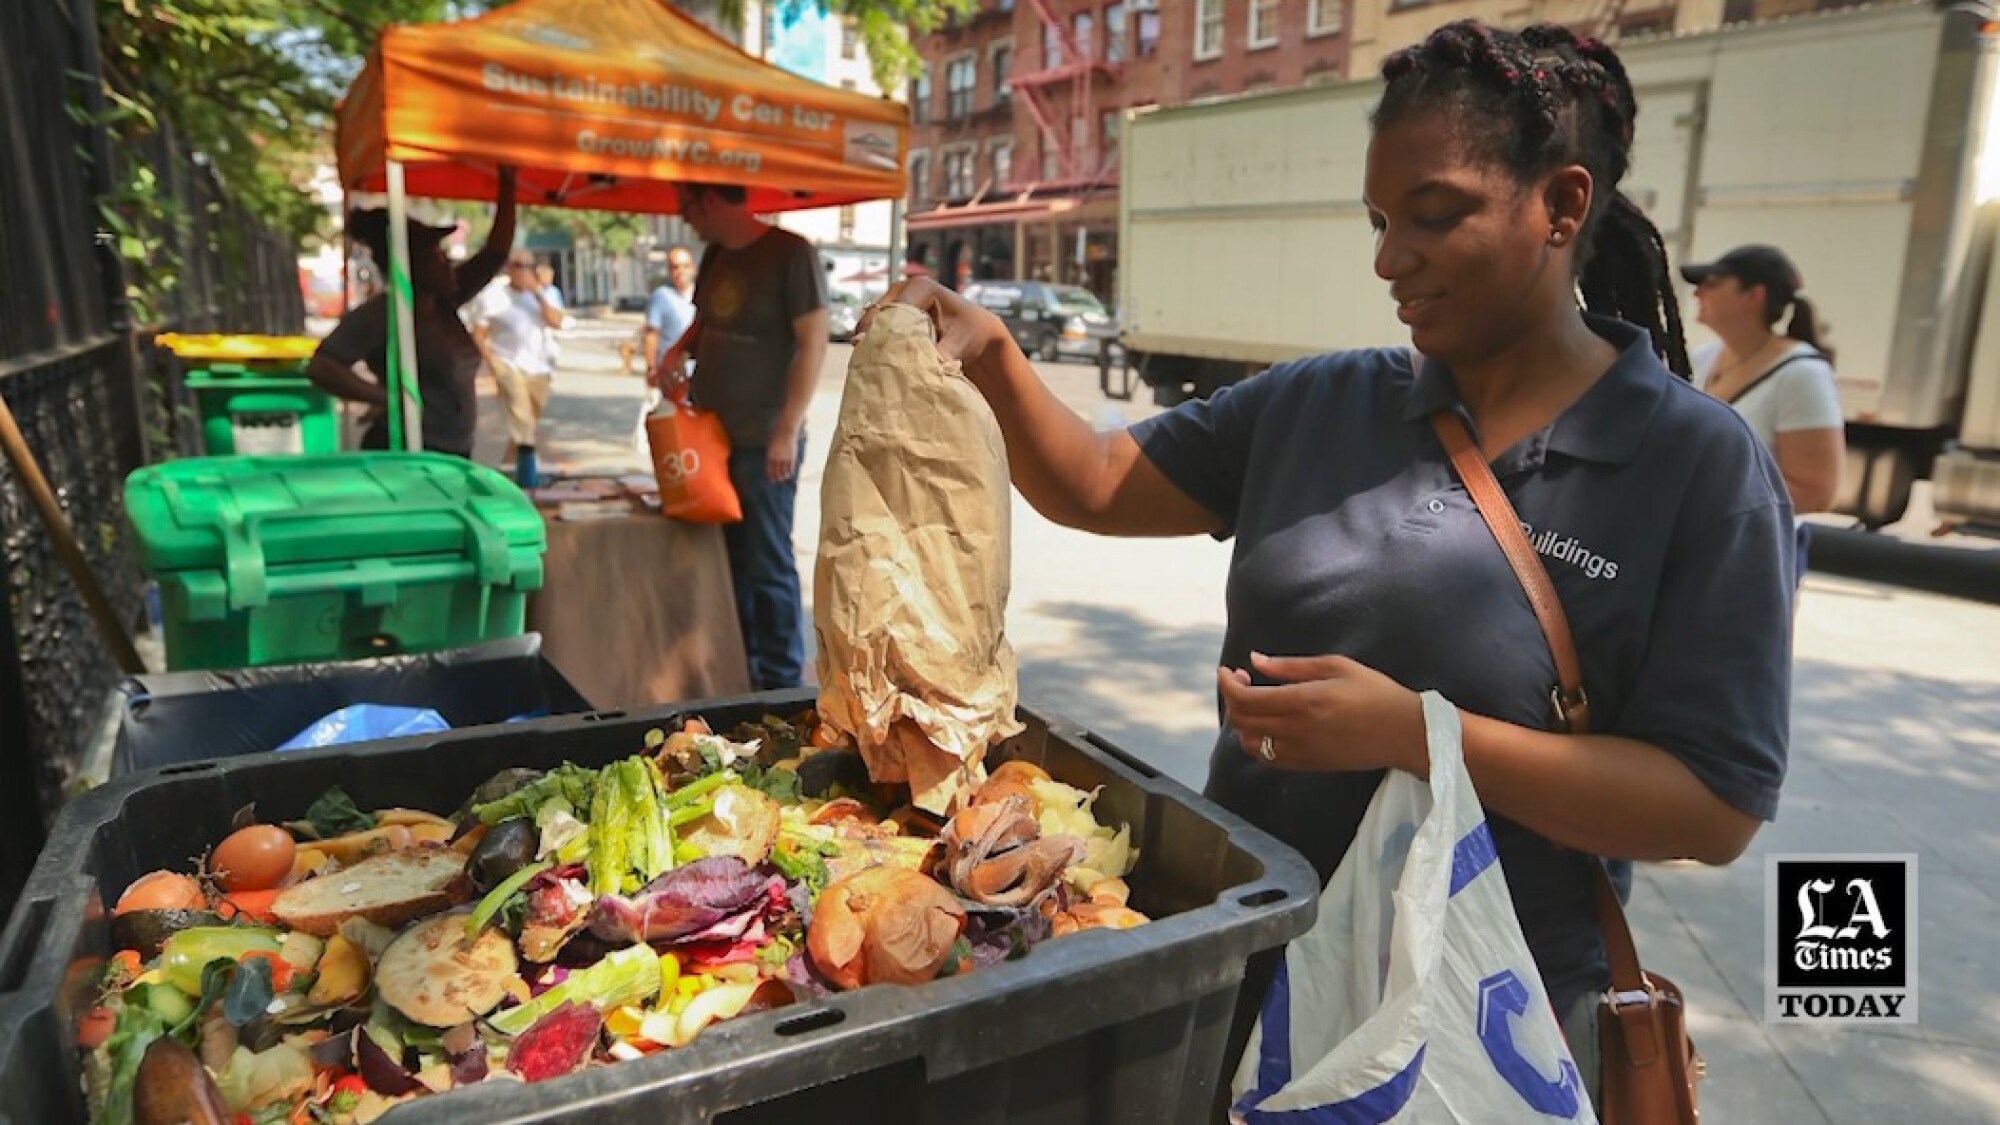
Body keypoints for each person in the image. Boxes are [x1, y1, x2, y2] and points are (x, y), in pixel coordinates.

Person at [862, 21, 1793, 1111]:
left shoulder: (1693, 464)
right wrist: (993, 355)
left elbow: (1711, 806)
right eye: (1379, 221)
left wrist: (1413, 736)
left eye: (1434, 217)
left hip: (1488, 1022)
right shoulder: (1319, 401)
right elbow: (1098, 482)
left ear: (1561, 205)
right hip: (1243, 977)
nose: (1388, 259)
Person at [651, 184, 829, 690]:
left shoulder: (791, 254)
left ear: (708, 203)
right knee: (729, 560)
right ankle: (740, 663)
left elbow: (813, 343)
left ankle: (777, 676)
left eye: (686, 209)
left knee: (768, 559)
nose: (687, 222)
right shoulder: (716, 254)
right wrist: (676, 353)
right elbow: (706, 320)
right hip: (712, 435)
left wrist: (786, 431)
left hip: (764, 437)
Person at [309, 168, 518, 457]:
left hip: (452, 450)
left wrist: (509, 181)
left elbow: (495, 254)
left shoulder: (446, 300)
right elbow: (322, 367)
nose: (446, 260)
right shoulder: (382, 314)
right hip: (407, 451)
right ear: (410, 264)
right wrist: (385, 398)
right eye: (436, 255)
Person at [1684, 244, 1845, 579]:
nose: (1698, 292)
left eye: (1712, 283)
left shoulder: (1801, 375)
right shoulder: (1704, 358)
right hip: (1698, 548)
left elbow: (1817, 492)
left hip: (1752, 559)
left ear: (1753, 296)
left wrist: (1705, 503)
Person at [471, 252, 568, 483]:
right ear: (509, 269)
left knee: (527, 424)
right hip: (507, 363)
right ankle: (528, 477)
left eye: (529, 266)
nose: (524, 271)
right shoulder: (493, 296)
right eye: (519, 266)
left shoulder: (542, 295)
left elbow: (556, 322)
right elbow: (478, 333)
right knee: (521, 418)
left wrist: (537, 294)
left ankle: (507, 471)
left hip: (539, 367)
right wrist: (492, 361)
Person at [642, 246, 698, 373]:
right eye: (675, 267)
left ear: (693, 268)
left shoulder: (703, 295)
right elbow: (652, 334)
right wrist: (651, 367)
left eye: (685, 266)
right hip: (671, 373)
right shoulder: (661, 297)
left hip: (699, 373)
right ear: (669, 270)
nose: (680, 271)